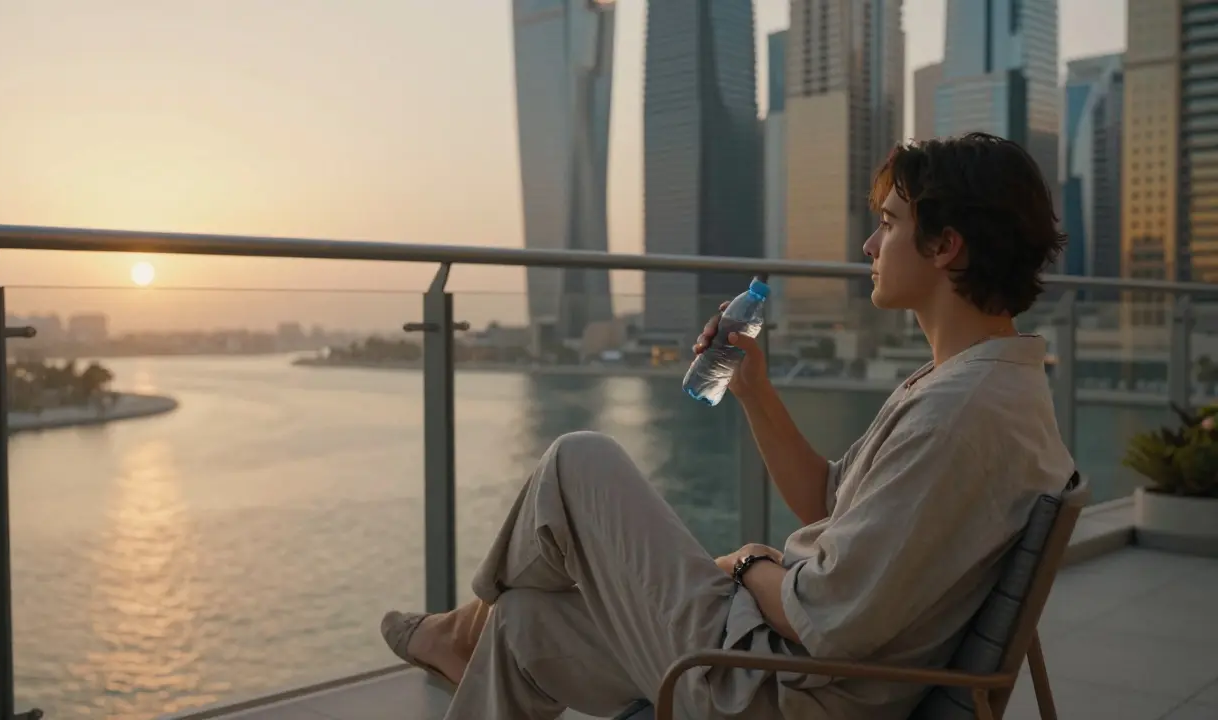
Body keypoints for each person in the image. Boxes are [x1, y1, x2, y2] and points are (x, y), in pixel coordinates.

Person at [380, 131, 1076, 720]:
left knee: (577, 462)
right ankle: (467, 633)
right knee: (525, 622)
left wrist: (749, 563)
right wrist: (754, 389)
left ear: (946, 246)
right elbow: (827, 504)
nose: (869, 242)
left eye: (890, 223)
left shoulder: (956, 417)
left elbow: (823, 619)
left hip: (778, 692)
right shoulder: (984, 386)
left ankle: (454, 630)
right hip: (795, 668)